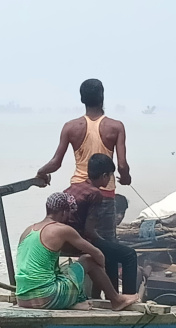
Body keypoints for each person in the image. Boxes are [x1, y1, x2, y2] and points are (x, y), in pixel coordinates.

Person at [35, 79, 131, 241]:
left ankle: (80, 265)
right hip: (105, 193)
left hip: (77, 194)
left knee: (79, 242)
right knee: (107, 242)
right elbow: (122, 165)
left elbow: (55, 163)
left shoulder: (70, 127)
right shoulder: (116, 127)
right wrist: (126, 178)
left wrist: (41, 172)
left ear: (82, 99)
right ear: (102, 97)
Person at [15, 192, 139, 311]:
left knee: (63, 270)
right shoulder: (62, 230)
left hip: (22, 297)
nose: (69, 218)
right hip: (47, 297)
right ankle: (117, 300)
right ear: (64, 212)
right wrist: (100, 270)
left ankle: (75, 301)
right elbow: (98, 254)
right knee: (88, 260)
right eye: (69, 213)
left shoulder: (28, 231)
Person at [64, 154, 139, 295]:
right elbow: (89, 231)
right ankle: (129, 298)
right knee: (129, 254)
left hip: (66, 240)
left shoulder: (72, 189)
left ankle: (111, 296)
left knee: (111, 253)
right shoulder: (95, 193)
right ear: (104, 175)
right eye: (110, 176)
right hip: (80, 240)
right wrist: (103, 243)